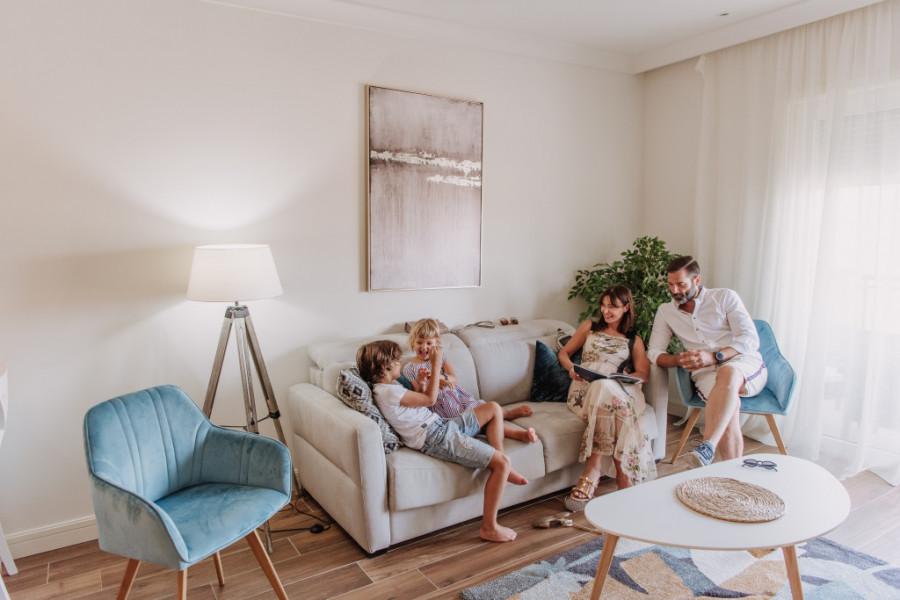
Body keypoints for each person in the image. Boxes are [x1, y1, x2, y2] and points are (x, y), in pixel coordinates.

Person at [357, 339, 526, 542]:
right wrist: (436, 364)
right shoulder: (387, 392)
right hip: (435, 437)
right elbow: (430, 400)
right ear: (385, 366)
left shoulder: (391, 386)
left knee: (493, 408)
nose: (400, 362)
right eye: (396, 360)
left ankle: (501, 458)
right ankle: (489, 527)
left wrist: (421, 383)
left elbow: (416, 402)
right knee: (502, 463)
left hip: (441, 425)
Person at [647, 256, 767, 468]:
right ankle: (734, 475)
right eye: (670, 284)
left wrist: (714, 357)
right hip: (705, 373)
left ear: (697, 280)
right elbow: (654, 352)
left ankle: (707, 446)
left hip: (742, 362)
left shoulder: (724, 297)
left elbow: (750, 339)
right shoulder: (665, 311)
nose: (675, 290)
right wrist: (679, 359)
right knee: (728, 408)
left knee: (728, 373)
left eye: (681, 284)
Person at [557, 285, 657, 511]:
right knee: (605, 390)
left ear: (626, 308)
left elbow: (643, 374)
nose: (605, 310)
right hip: (584, 389)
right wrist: (571, 368)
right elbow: (564, 353)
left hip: (618, 389)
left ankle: (593, 471)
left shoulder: (634, 340)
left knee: (607, 389)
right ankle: (623, 477)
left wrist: (622, 378)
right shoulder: (589, 327)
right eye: (603, 305)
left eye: (612, 306)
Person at [404, 318, 536, 444]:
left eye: (429, 343)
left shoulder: (441, 357)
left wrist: (439, 377)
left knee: (483, 409)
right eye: (419, 342)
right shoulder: (409, 368)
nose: (424, 347)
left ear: (436, 344)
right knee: (480, 421)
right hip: (442, 407)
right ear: (412, 342)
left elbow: (453, 379)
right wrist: (422, 382)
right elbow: (420, 397)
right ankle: (519, 434)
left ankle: (508, 414)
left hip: (458, 397)